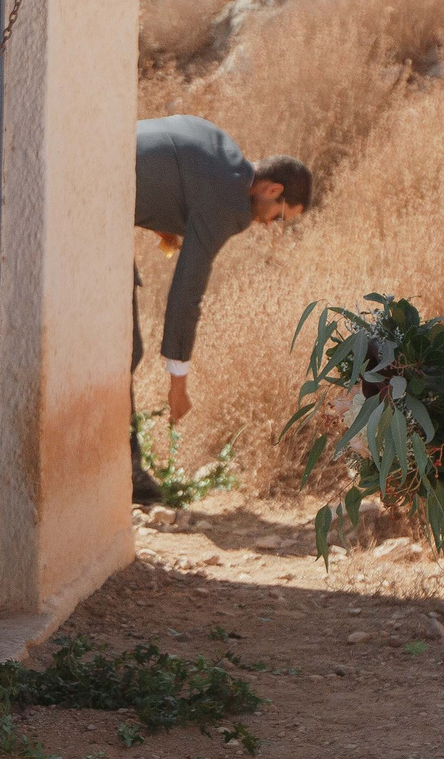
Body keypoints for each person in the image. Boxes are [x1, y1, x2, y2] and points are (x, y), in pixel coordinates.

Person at [131, 116, 311, 504]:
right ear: (271, 189)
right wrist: (178, 381)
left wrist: (163, 219)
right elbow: (186, 292)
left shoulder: (221, 147)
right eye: (279, 215)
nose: (270, 225)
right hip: (89, 202)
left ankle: (126, 470)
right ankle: (125, 473)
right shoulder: (231, 205)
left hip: (87, 164)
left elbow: (165, 162)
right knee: (126, 348)